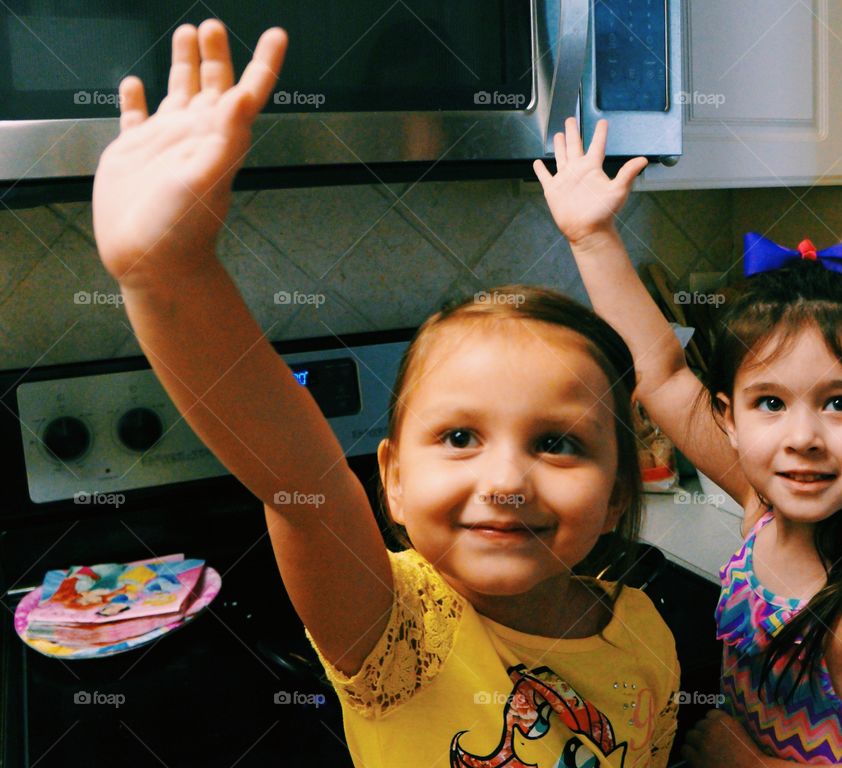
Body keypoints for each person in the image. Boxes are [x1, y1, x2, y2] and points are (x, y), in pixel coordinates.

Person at [92, 20, 680, 767]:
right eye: (460, 438)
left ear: (621, 492)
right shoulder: (397, 628)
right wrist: (170, 274)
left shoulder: (643, 632)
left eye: (557, 442)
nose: (504, 483)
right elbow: (297, 480)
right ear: (394, 481)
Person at [535, 118, 842, 766]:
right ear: (728, 419)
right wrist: (591, 238)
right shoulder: (764, 507)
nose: (803, 438)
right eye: (771, 403)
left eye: (839, 402)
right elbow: (662, 373)